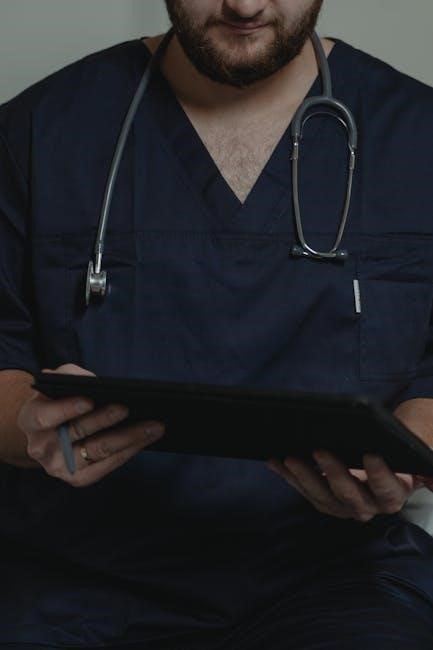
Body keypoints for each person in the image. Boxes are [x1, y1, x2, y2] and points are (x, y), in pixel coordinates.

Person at [1, 0, 433, 647]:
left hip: (342, 576)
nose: (245, 5)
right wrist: (27, 427)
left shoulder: (417, 136)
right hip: (73, 578)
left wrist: (410, 453)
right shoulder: (39, 130)